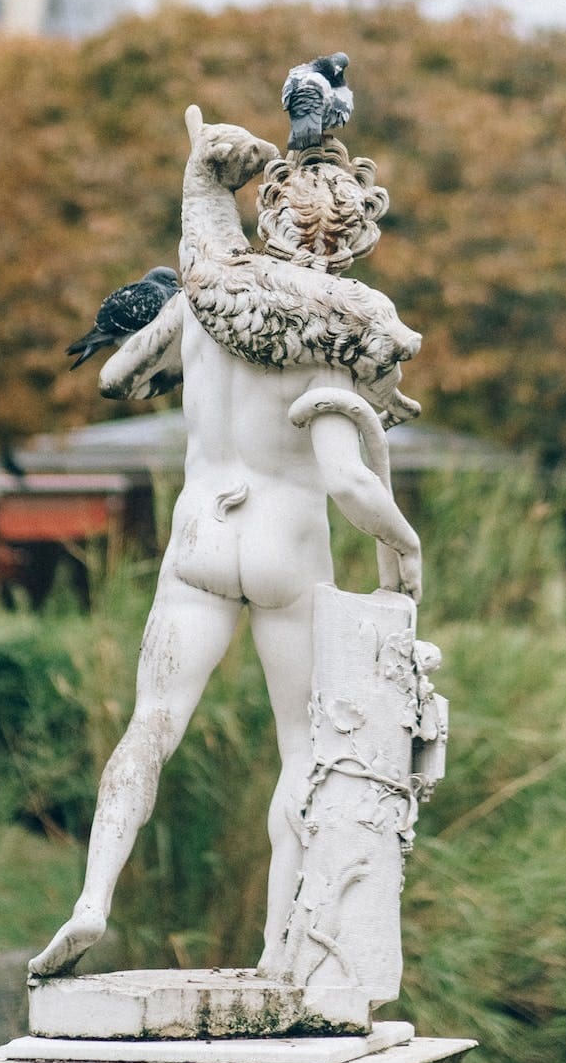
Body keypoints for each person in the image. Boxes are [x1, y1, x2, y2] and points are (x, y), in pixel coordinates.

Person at [28, 112, 421, 980]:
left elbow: (116, 378)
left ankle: (93, 901)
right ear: (348, 241)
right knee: (302, 753)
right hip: (288, 552)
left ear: (269, 211)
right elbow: (352, 485)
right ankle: (280, 952)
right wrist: (405, 548)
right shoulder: (332, 338)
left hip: (202, 540)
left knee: (150, 728)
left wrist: (179, 352)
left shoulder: (202, 299)